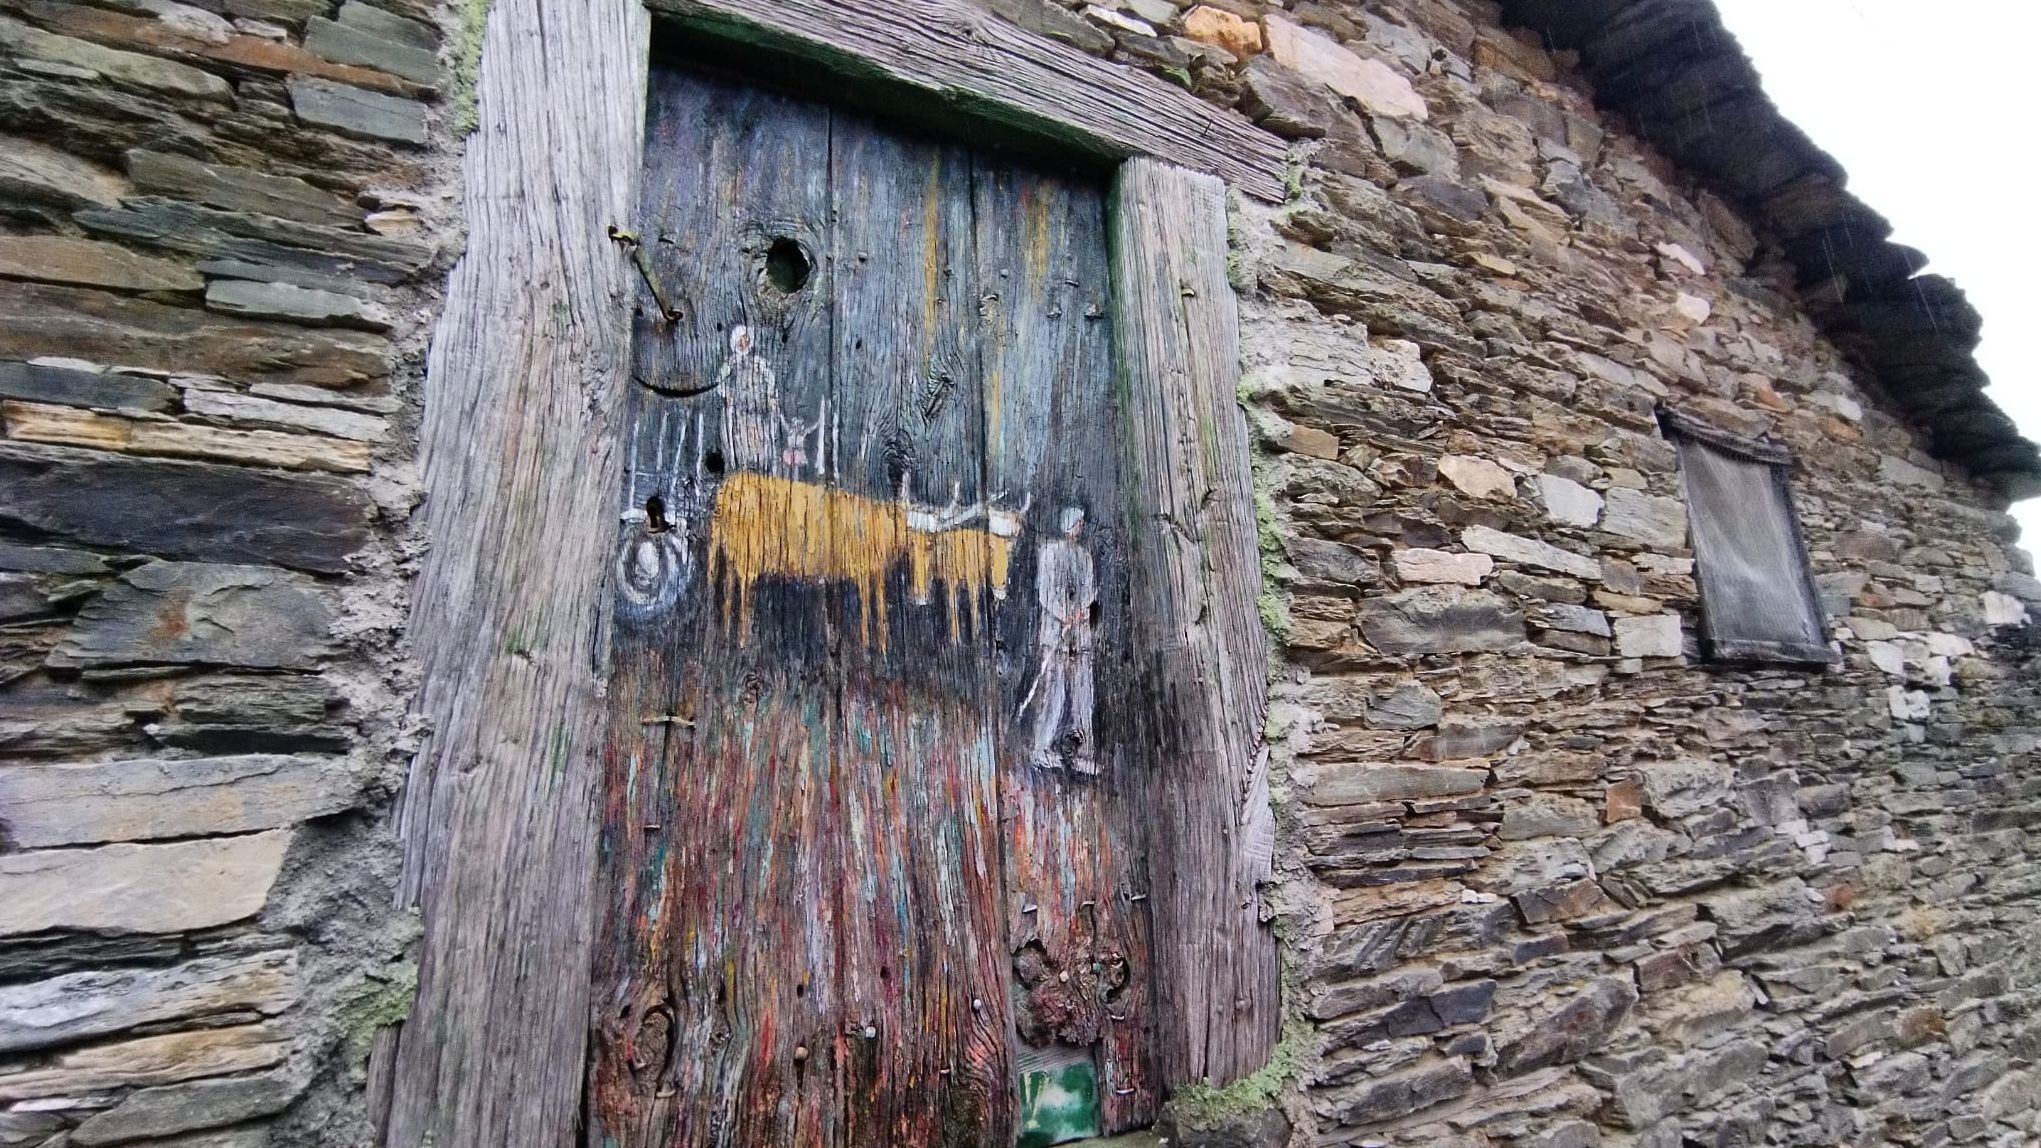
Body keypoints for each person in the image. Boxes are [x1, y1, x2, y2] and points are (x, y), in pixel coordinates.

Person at [1020, 507, 1097, 774]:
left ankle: (1083, 751)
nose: (1079, 527)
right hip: (1056, 637)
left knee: (1083, 695)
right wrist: (1064, 614)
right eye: (1076, 522)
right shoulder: (1049, 553)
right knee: (1053, 692)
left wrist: (1084, 611)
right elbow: (1045, 592)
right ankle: (1042, 747)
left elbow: (1089, 592)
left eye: (1081, 523)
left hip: (1080, 639)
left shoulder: (1085, 557)